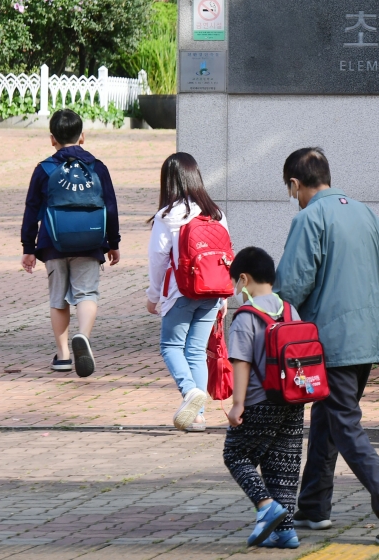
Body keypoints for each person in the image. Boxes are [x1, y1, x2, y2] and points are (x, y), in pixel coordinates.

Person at [273, 147, 379, 545]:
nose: (294, 197)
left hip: (329, 343)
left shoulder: (309, 217)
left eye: (292, 190)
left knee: (344, 423)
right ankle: (314, 506)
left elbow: (293, 284)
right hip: (367, 341)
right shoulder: (366, 213)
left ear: (295, 183)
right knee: (329, 419)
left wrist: (270, 321)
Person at [21, 109, 120, 377]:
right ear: (83, 137)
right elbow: (110, 206)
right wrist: (113, 242)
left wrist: (28, 248)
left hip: (53, 242)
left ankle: (63, 355)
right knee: (86, 293)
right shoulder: (98, 168)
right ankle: (83, 337)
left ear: (52, 139)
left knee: (58, 298)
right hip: (90, 241)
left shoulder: (44, 169)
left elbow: (32, 210)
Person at [223, 246, 303, 549]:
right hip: (293, 399)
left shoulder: (246, 316)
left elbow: (241, 362)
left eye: (235, 283)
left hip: (259, 401)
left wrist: (237, 404)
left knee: (236, 455)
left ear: (243, 279)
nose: (235, 290)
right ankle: (286, 532)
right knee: (283, 464)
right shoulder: (291, 309)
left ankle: (265, 505)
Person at [145, 152, 227, 432]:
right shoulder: (215, 212)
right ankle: (198, 416)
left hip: (181, 292)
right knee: (195, 351)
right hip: (213, 292)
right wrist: (224, 296)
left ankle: (190, 392)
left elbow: (158, 259)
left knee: (170, 346)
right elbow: (224, 256)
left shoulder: (168, 216)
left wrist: (153, 296)